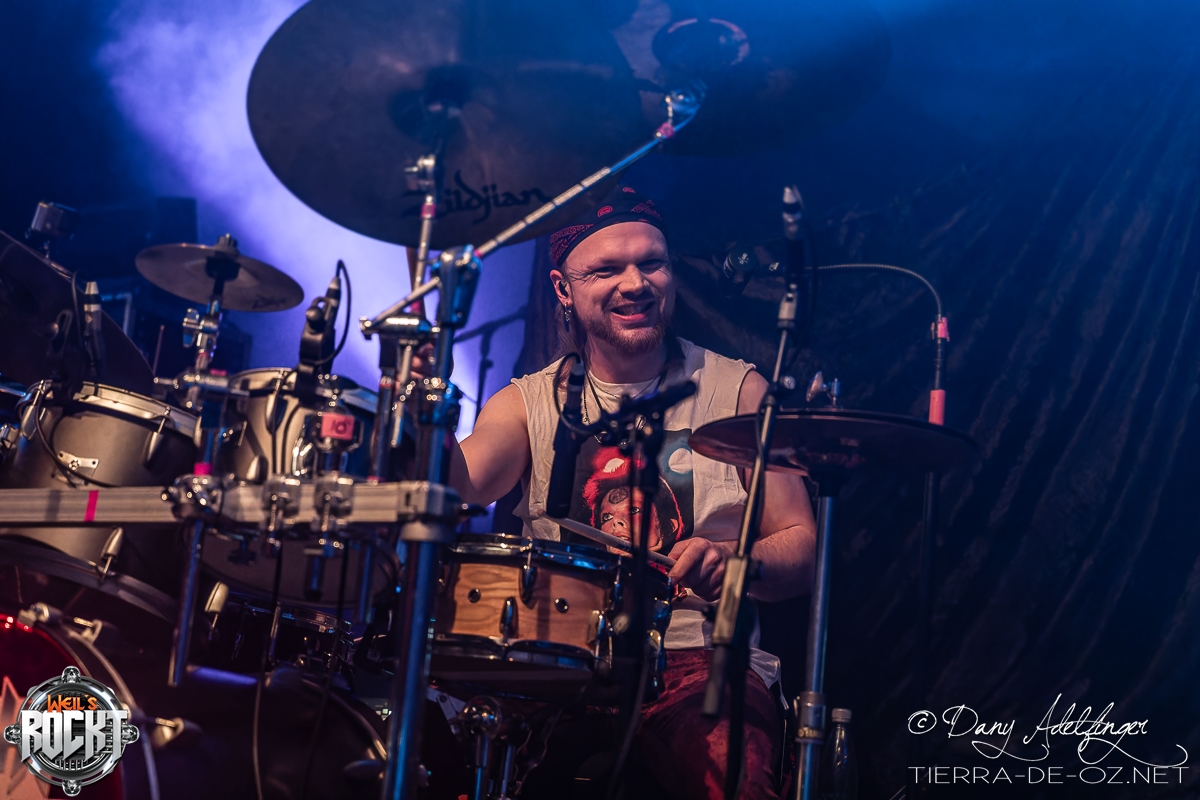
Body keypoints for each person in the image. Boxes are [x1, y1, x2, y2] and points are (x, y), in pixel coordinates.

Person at [444, 185, 817, 800]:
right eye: (606, 270)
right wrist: (420, 414)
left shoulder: (739, 391)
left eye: (652, 263)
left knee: (737, 779)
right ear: (563, 289)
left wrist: (734, 563)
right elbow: (457, 490)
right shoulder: (525, 403)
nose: (636, 283)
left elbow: (801, 548)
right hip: (554, 658)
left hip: (698, 658)